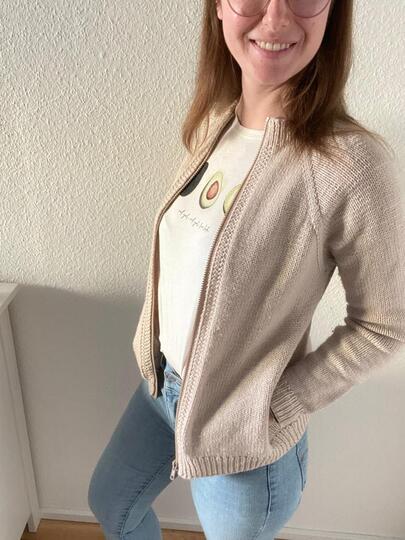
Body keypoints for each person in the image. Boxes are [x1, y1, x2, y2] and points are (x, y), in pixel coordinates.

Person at [87, 0, 405, 538]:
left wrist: (275, 407)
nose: (276, 19)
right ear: (219, 8)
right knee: (112, 503)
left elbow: (384, 326)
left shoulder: (350, 164)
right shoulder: (216, 122)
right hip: (162, 388)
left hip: (246, 442)